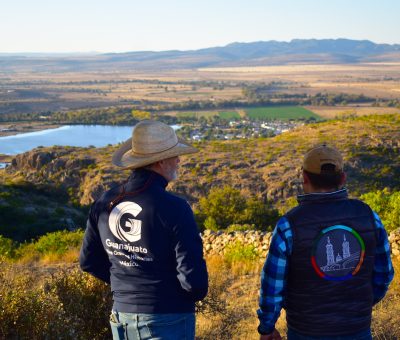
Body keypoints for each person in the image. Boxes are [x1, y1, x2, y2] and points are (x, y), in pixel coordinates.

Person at [80, 120, 208, 340]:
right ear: (159, 162)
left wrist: (126, 285)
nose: (179, 160)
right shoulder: (175, 208)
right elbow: (194, 283)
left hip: (121, 317)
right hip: (167, 319)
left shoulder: (104, 202)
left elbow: (89, 261)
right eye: (174, 155)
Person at [257, 144, 394, 340]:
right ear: (343, 178)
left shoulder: (289, 225)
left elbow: (273, 286)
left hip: (306, 331)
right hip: (357, 329)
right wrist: (360, 305)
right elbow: (384, 274)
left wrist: (267, 327)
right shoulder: (368, 216)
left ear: (304, 178)